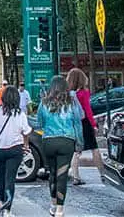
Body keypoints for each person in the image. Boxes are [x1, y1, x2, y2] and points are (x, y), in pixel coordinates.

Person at [37, 76, 83, 217]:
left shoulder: (44, 103)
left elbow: (40, 123)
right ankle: (59, 210)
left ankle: (52, 204)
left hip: (49, 142)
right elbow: (78, 123)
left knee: (52, 174)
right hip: (66, 142)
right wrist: (79, 143)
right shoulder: (71, 103)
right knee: (62, 176)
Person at [0, 86, 31, 217]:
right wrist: (26, 144)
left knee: (1, 177)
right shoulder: (20, 114)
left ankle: (1, 201)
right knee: (10, 179)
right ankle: (7, 210)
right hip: (15, 150)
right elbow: (26, 131)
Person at [67, 68, 103, 184]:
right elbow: (88, 110)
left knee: (76, 151)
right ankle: (102, 174)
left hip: (74, 123)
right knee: (94, 148)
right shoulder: (84, 93)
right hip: (85, 123)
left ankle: (76, 176)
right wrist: (93, 125)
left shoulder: (69, 93)